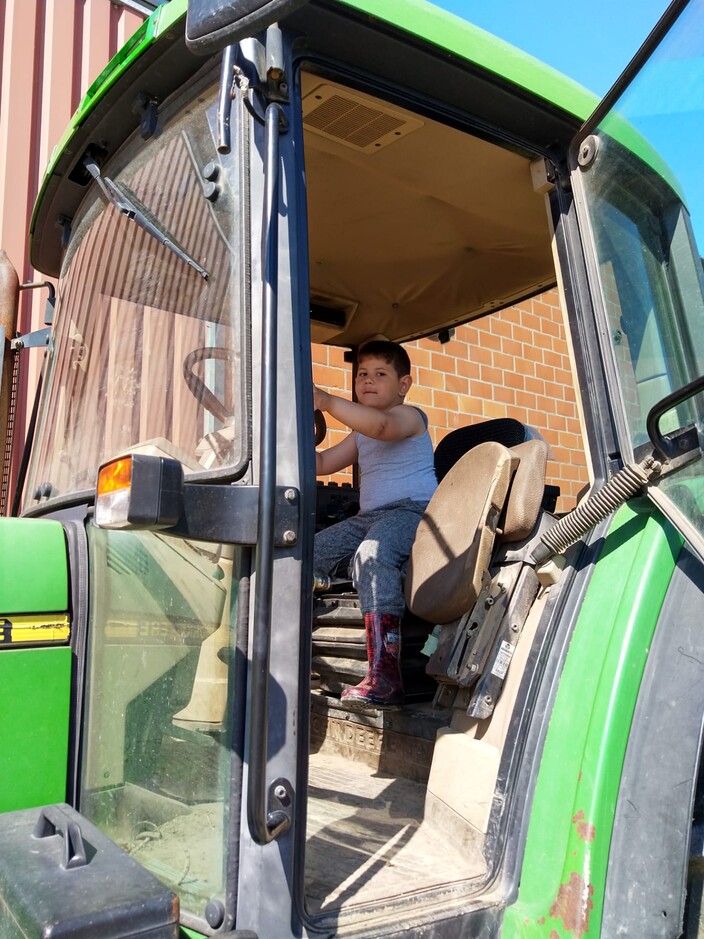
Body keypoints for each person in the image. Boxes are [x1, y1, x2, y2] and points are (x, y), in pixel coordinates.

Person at [314, 340, 437, 708]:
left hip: (413, 511)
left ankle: (385, 674)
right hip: (369, 517)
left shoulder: (410, 417)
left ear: (403, 385)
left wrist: (327, 400)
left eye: (379, 374)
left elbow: (382, 426)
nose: (367, 381)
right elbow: (321, 465)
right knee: (309, 551)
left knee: (373, 555)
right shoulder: (359, 433)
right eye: (362, 375)